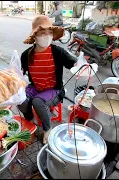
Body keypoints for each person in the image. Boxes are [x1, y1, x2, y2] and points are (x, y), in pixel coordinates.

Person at [18, 15, 77, 144]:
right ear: (35, 35)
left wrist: (82, 65)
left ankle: (48, 129)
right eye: (42, 33)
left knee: (37, 101)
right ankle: (30, 119)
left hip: (54, 90)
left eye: (49, 32)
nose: (47, 36)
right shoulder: (26, 55)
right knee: (19, 98)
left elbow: (73, 63)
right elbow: (19, 75)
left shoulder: (58, 52)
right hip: (35, 88)